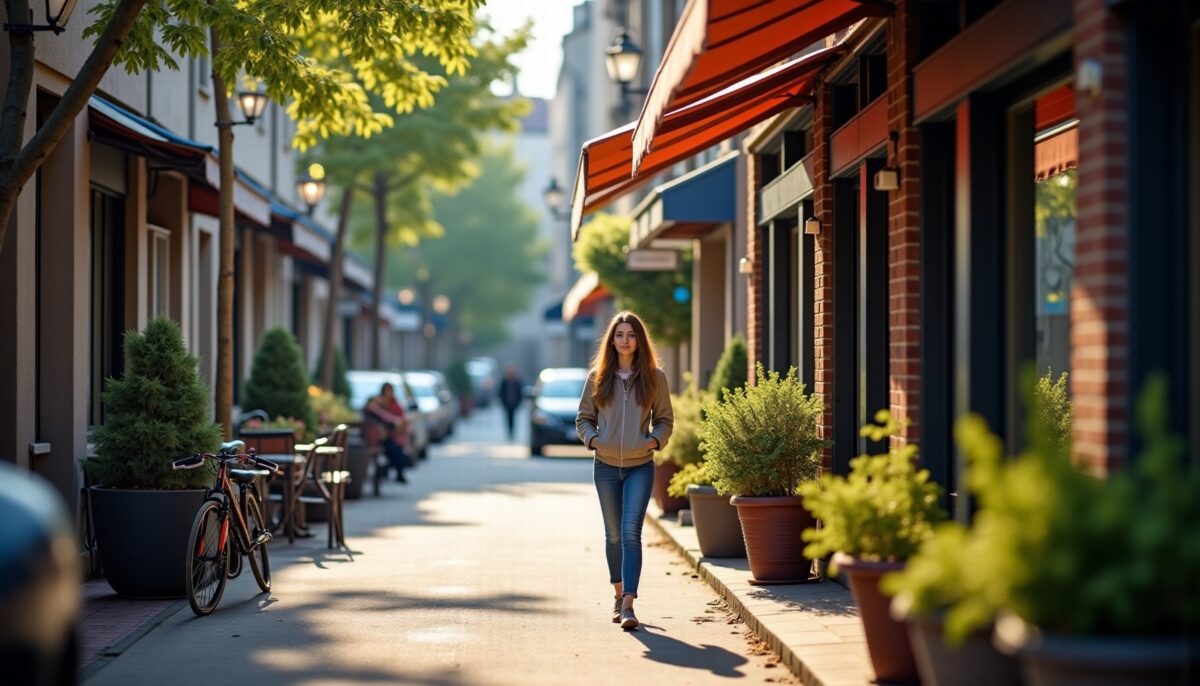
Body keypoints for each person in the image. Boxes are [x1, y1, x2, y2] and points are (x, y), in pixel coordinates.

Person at [576, 311, 673, 630]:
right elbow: (584, 418)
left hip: (640, 468)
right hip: (604, 467)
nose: (625, 340)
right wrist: (593, 440)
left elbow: (664, 420)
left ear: (639, 339)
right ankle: (617, 595)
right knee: (613, 536)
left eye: (631, 334)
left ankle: (629, 604)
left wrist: (654, 442)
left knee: (631, 533)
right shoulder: (598, 376)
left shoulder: (655, 377)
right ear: (612, 340)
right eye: (619, 334)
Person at [363, 382, 411, 484]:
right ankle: (385, 473)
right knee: (397, 455)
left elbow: (402, 423)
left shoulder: (395, 405)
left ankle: (388, 472)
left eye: (390, 391)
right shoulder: (376, 404)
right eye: (386, 391)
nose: (388, 394)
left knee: (401, 457)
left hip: (394, 438)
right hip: (381, 439)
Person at [497, 364, 524, 439]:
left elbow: (520, 392)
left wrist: (519, 402)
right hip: (507, 403)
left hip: (514, 403)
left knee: (513, 418)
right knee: (508, 418)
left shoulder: (517, 381)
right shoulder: (504, 381)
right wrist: (502, 401)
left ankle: (512, 431)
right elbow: (501, 392)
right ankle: (509, 432)